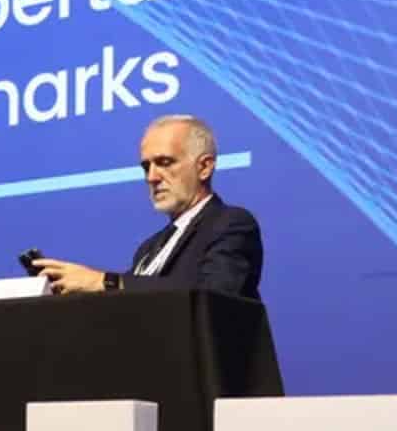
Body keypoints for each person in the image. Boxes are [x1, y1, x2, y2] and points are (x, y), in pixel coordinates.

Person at [35, 114, 263, 299]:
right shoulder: (149, 248)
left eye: (165, 163)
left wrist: (104, 282)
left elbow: (213, 295)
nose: (152, 177)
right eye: (146, 166)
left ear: (204, 167)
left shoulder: (230, 224)